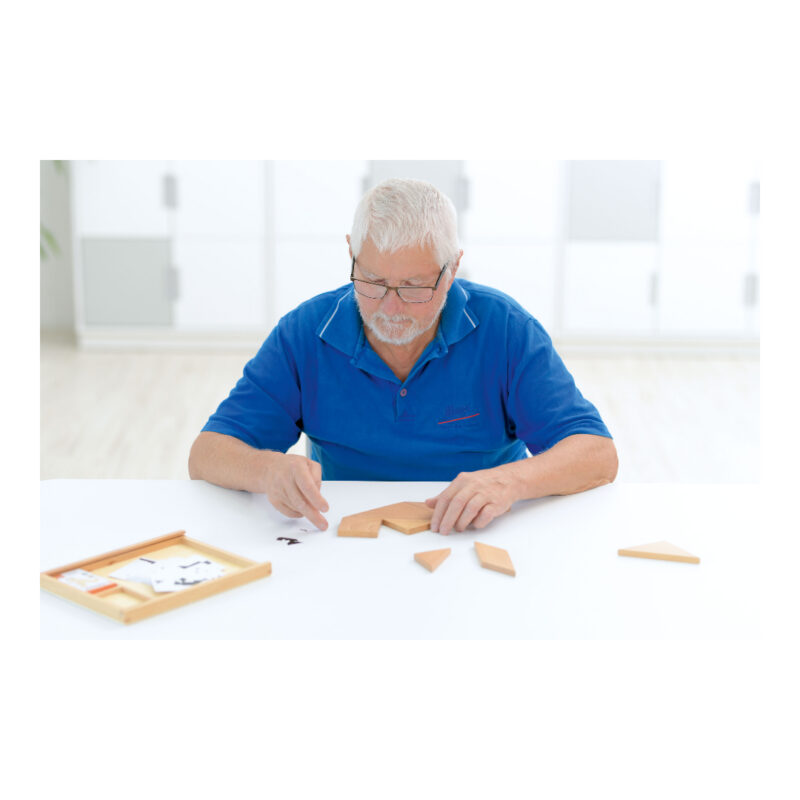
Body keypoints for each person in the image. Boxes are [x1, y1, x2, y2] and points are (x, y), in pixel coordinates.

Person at [189, 178, 617, 535]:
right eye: (373, 281)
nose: (390, 308)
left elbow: (597, 453)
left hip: (480, 532)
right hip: (341, 538)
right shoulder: (305, 333)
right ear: (351, 255)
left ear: (452, 270)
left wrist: (510, 482)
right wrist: (268, 470)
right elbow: (207, 453)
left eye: (414, 287)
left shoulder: (506, 329)